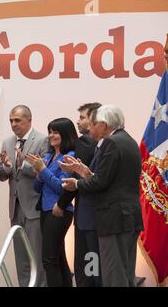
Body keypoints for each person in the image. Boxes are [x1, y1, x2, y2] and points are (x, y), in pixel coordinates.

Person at [62, 105, 143, 287]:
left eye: (93, 124)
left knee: (113, 276)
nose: (89, 128)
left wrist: (76, 183)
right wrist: (85, 172)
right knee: (125, 273)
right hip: (128, 216)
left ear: (104, 125)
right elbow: (111, 178)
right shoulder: (129, 140)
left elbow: (100, 183)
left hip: (114, 218)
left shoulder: (111, 143)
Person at [0, 105, 47, 287]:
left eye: (17, 120)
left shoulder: (42, 140)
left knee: (37, 256)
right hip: (15, 208)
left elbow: (44, 173)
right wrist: (7, 167)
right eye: (11, 120)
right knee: (21, 258)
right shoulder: (7, 142)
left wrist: (23, 165)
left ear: (29, 120)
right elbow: (2, 175)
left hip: (34, 208)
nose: (13, 124)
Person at [26, 118, 77, 287]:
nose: (51, 136)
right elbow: (37, 188)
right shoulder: (47, 157)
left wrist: (43, 170)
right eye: (50, 131)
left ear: (66, 133)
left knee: (48, 260)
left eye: (55, 132)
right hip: (46, 209)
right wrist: (39, 172)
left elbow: (62, 188)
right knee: (59, 259)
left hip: (60, 210)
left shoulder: (69, 157)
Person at [56, 102, 102, 287]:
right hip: (98, 215)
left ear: (94, 119)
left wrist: (60, 204)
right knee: (95, 267)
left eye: (82, 118)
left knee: (88, 268)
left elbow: (74, 180)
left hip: (88, 216)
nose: (78, 121)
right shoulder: (104, 144)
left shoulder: (84, 143)